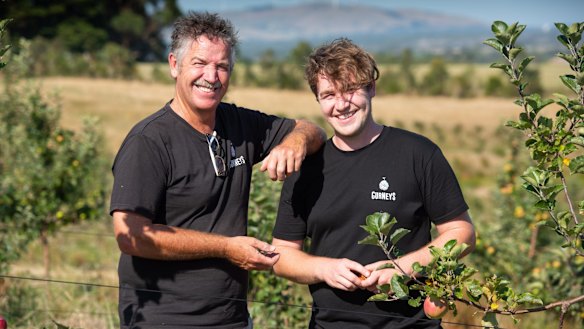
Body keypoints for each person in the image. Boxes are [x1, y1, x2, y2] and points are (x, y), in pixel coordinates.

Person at [109, 11, 326, 328]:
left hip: (232, 319)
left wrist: (294, 143)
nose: (211, 76)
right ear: (174, 65)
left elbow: (312, 130)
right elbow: (131, 237)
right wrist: (226, 247)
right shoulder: (149, 141)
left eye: (222, 66)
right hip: (163, 319)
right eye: (199, 63)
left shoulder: (238, 123)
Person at [271, 38, 476, 329]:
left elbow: (462, 233)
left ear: (372, 89)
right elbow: (281, 255)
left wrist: (402, 269)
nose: (341, 104)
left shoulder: (419, 154)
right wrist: (324, 269)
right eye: (329, 94)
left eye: (351, 90)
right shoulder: (306, 169)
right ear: (318, 100)